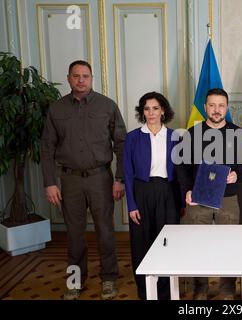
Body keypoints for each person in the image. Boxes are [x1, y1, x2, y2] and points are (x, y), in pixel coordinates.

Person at [40, 60, 127, 300]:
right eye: (76, 76)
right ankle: (75, 281)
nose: (81, 80)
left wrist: (119, 178)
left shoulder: (107, 106)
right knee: (74, 234)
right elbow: (46, 148)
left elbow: (121, 144)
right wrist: (50, 182)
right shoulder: (56, 109)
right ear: (68, 78)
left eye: (85, 76)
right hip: (70, 181)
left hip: (101, 178)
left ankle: (109, 279)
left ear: (92, 78)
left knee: (106, 232)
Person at [175, 88, 242, 300]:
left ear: (226, 108)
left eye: (221, 105)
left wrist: (237, 174)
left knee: (228, 245)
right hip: (198, 198)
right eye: (212, 105)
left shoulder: (237, 133)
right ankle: (201, 287)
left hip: (227, 199)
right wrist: (187, 189)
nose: (216, 110)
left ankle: (227, 289)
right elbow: (181, 166)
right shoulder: (192, 133)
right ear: (205, 107)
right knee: (197, 245)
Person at [123, 92, 181, 300]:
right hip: (141, 191)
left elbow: (183, 172)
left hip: (168, 192)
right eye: (147, 109)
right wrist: (131, 204)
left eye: (155, 108)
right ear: (142, 112)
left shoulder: (176, 137)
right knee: (141, 243)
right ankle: (145, 292)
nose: (151, 113)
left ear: (163, 110)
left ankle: (165, 292)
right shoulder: (132, 138)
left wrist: (181, 201)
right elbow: (127, 175)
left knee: (167, 242)